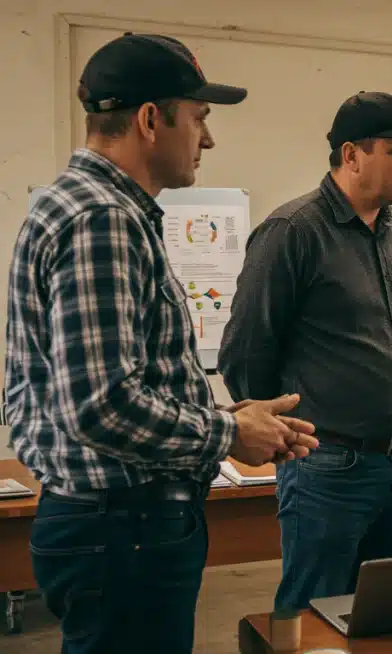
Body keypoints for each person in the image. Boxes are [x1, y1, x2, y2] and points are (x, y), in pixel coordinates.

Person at [4, 33, 318, 654]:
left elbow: (103, 390)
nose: (208, 138)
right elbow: (99, 405)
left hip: (115, 525)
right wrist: (229, 434)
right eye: (198, 118)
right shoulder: (102, 220)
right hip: (123, 529)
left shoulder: (80, 207)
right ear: (150, 120)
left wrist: (229, 417)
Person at [217, 91, 392, 613]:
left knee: (383, 613)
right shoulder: (292, 232)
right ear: (351, 154)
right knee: (312, 615)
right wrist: (280, 433)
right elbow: (246, 351)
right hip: (328, 466)